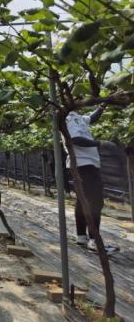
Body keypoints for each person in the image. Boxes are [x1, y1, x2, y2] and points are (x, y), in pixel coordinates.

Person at [65, 104, 119, 255]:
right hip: (83, 164)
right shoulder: (69, 118)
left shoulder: (78, 117)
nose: (84, 100)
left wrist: (102, 106)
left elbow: (91, 118)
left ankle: (82, 236)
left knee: (82, 200)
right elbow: (75, 139)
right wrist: (99, 143)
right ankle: (95, 241)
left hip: (85, 164)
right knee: (95, 202)